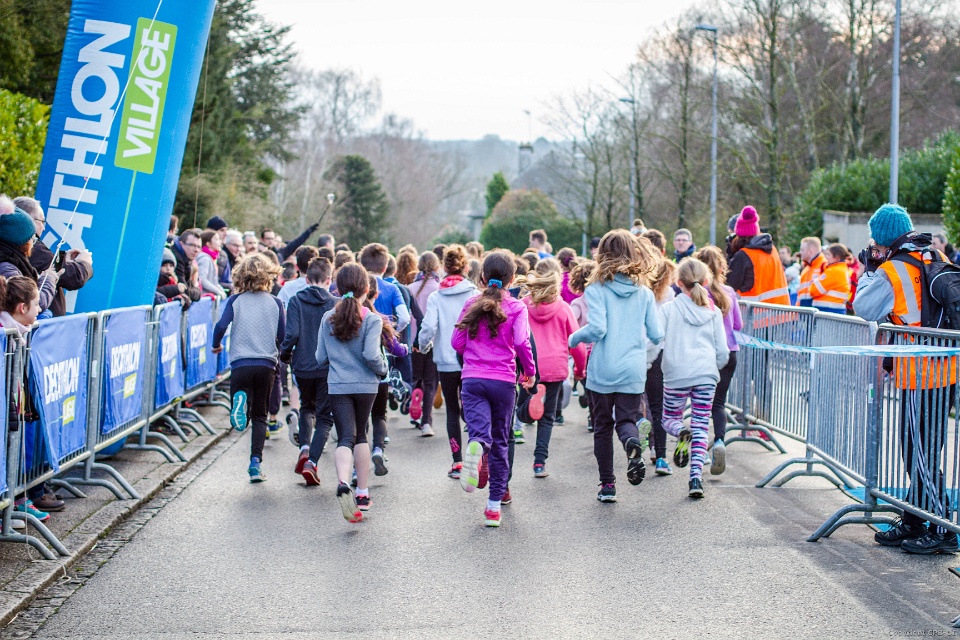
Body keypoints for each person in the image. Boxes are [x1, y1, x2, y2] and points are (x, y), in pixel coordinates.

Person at [854, 203, 958, 554]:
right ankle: (915, 519)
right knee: (922, 448)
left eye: (875, 242)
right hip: (944, 365)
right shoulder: (933, 255)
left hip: (922, 372)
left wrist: (870, 269)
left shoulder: (893, 269)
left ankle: (943, 529)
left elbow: (864, 307)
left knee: (918, 452)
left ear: (883, 240)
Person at [569, 229, 663, 503]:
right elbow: (656, 334)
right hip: (633, 369)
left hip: (603, 369)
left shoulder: (596, 289)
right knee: (626, 421)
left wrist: (574, 338)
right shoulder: (645, 293)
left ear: (603, 255)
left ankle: (608, 486)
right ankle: (631, 442)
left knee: (602, 427)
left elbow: (597, 329)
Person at [453, 251, 536, 527]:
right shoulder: (517, 307)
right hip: (503, 381)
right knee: (501, 443)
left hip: (473, 379)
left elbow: (456, 342)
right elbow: (522, 342)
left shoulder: (471, 303)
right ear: (512, 279)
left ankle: (477, 445)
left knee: (480, 433)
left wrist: (474, 352)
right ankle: (492, 509)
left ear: (482, 277)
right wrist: (529, 371)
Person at [315, 263, 388, 523]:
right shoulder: (372, 319)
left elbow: (320, 357)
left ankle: (343, 482)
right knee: (361, 436)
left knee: (345, 437)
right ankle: (363, 493)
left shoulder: (328, 318)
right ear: (367, 289)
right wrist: (383, 368)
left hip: (338, 385)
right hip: (366, 385)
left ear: (337, 287)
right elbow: (371, 354)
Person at [658, 258, 729, 499]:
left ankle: (680, 431)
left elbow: (655, 339)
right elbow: (723, 351)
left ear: (678, 283)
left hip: (676, 374)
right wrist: (713, 367)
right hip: (705, 374)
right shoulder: (714, 313)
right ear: (706, 281)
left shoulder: (668, 310)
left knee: (669, 419)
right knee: (701, 426)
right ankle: (696, 479)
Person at [212, 253, 285, 483]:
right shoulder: (276, 303)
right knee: (260, 416)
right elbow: (282, 336)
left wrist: (216, 344)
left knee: (240, 394)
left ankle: (239, 405)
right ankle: (255, 463)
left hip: (241, 362)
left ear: (240, 276)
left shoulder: (236, 301)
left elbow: (221, 326)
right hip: (266, 364)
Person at [516, 262, 586, 478]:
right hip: (555, 367)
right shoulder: (564, 308)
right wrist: (580, 369)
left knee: (521, 412)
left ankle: (529, 408)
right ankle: (539, 463)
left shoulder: (523, 306)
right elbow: (576, 342)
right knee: (547, 418)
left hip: (529, 366)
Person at [2, 275, 62, 519]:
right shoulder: (6, 334)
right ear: (22, 307)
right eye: (36, 304)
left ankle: (14, 501)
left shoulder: (20, 332)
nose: (40, 309)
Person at [418, 245, 477, 478]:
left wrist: (424, 346)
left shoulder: (436, 296)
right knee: (472, 409)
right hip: (471, 360)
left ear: (444, 267)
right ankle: (476, 457)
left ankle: (457, 462)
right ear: (466, 267)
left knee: (452, 409)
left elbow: (428, 327)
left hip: (445, 359)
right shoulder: (473, 294)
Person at [280, 257, 338, 484]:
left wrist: (285, 354)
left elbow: (292, 333)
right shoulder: (334, 303)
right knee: (324, 417)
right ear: (329, 279)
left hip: (302, 365)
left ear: (306, 279)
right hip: (327, 366)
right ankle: (311, 462)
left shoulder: (296, 300)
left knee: (306, 407)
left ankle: (304, 447)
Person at [693, 246, 741, 476]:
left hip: (705, 353)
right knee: (719, 403)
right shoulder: (729, 292)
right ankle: (720, 440)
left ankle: (700, 450)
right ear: (721, 267)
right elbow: (738, 324)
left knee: (700, 403)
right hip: (729, 352)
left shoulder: (698, 293)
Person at [645, 256, 677, 475]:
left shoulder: (641, 294)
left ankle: (640, 439)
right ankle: (661, 456)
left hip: (640, 352)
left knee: (639, 403)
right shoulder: (670, 296)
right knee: (658, 406)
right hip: (662, 353)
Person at [0, 206, 58, 313]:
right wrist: (48, 280)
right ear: (23, 243)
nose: (33, 243)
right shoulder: (6, 268)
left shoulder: (11, 261)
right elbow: (30, 305)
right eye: (33, 239)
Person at [727, 206, 789, 305]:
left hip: (754, 313)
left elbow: (729, 285)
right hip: (782, 311)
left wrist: (731, 255)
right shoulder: (772, 250)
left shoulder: (743, 255)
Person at [410, 251, 441, 436]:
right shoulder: (439, 288)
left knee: (415, 378)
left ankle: (414, 406)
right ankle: (426, 423)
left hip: (413, 342)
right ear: (437, 267)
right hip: (433, 341)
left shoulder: (409, 289)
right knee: (430, 382)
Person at [810, 243, 852, 314]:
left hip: (828, 311)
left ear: (837, 257)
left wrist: (814, 282)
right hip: (835, 310)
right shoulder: (842, 269)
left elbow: (813, 291)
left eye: (829, 255)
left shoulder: (834, 271)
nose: (826, 257)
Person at [170, 229, 202, 301]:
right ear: (181, 244)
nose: (196, 250)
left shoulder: (186, 259)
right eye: (192, 245)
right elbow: (185, 290)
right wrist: (196, 291)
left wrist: (197, 291)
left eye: (199, 247)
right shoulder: (176, 259)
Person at [795, 237, 825, 307]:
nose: (800, 252)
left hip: (817, 310)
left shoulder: (824, 266)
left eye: (802, 250)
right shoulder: (806, 270)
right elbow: (800, 295)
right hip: (804, 311)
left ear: (810, 251)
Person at [197, 230, 227, 299]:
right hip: (204, 298)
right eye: (217, 239)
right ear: (208, 244)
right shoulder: (205, 259)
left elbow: (214, 281)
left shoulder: (212, 258)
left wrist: (221, 290)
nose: (220, 242)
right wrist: (218, 292)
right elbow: (202, 280)